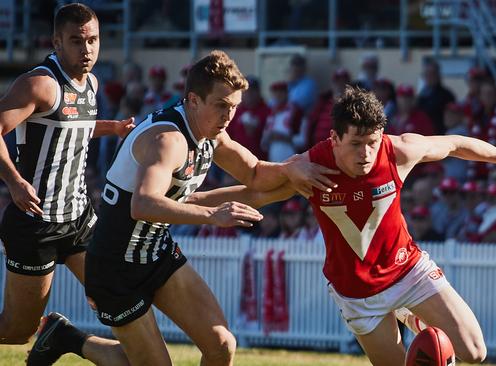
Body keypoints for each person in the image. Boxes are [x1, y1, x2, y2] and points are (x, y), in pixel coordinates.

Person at [239, 86, 496, 365]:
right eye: (356, 143)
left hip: (408, 271)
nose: (366, 153)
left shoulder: (399, 150)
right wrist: (196, 204)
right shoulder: (309, 167)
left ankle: (410, 313)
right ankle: (410, 317)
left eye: (372, 142)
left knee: (474, 351)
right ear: (334, 139)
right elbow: (256, 186)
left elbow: (455, 144)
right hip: (356, 293)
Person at [83, 50, 337, 366]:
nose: (228, 116)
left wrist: (297, 171)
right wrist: (214, 216)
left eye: (233, 107)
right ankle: (74, 340)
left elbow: (255, 175)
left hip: (156, 253)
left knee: (221, 345)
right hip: (115, 266)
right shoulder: (168, 140)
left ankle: (65, 337)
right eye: (221, 105)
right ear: (193, 100)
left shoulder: (210, 134)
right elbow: (143, 203)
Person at [0, 4, 136, 365]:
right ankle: (54, 335)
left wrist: (113, 128)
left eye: (92, 40)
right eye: (76, 41)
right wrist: (14, 181)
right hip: (35, 222)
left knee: (121, 296)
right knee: (16, 331)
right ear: (56, 42)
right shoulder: (39, 83)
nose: (87, 49)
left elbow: (75, 125)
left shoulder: (90, 82)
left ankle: (67, 337)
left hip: (79, 220)